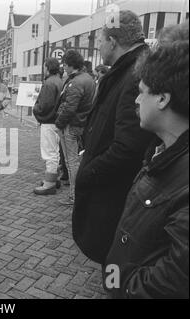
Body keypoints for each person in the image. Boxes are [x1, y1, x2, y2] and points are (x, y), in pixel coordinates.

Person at [105, 37, 189, 299]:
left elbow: (173, 281)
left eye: (143, 91)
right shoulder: (161, 152)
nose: (137, 100)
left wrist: (123, 285)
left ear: (163, 98)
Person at [73, 10, 154, 265]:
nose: (98, 45)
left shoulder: (135, 75)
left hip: (114, 192)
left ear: (113, 41)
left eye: (100, 39)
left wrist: (89, 172)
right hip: (110, 186)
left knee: (115, 260)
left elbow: (129, 146)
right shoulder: (125, 71)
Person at [54, 50, 95, 205]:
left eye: (65, 64)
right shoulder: (87, 79)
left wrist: (58, 124)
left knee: (71, 162)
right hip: (79, 123)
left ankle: (74, 196)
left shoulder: (76, 82)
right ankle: (76, 194)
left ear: (71, 65)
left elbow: (70, 107)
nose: (63, 67)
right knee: (75, 160)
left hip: (71, 126)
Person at [33, 58, 64, 195]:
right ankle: (53, 177)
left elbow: (44, 105)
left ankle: (49, 183)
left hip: (49, 121)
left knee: (49, 152)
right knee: (55, 151)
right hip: (56, 121)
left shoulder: (49, 83)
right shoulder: (59, 81)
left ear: (47, 67)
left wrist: (36, 110)